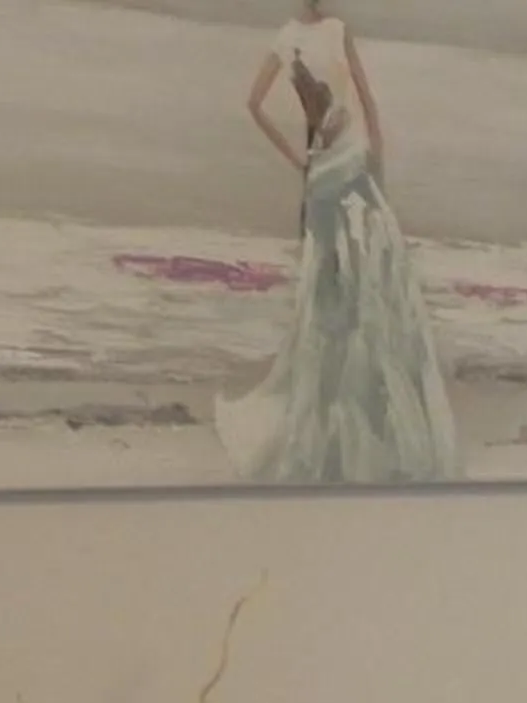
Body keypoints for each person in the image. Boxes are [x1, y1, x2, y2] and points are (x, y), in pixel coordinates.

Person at [219, 2, 456, 481]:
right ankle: (362, 426)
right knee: (364, 289)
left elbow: (254, 105)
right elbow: (366, 103)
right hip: (349, 171)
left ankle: (341, 428)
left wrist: (297, 159)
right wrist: (376, 166)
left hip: (326, 174)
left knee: (334, 296)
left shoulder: (289, 38)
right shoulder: (331, 31)